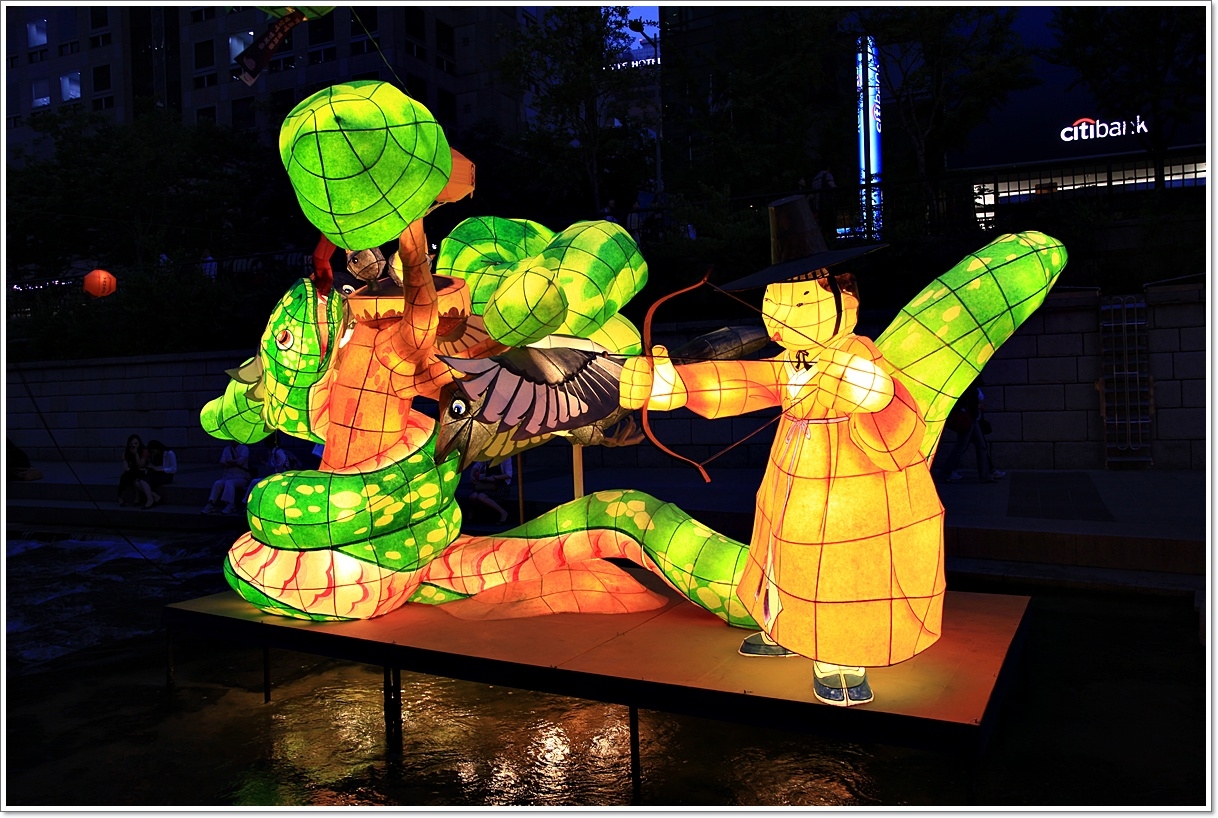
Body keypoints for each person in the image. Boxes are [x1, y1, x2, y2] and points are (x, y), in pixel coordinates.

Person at [622, 195, 942, 707]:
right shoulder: (793, 362)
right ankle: (786, 629)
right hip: (792, 481)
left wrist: (875, 397)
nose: (778, 317)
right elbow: (745, 382)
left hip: (857, 493)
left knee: (843, 563)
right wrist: (675, 387)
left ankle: (841, 654)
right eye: (774, 302)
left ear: (846, 300)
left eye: (799, 302)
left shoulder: (860, 361)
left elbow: (901, 428)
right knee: (781, 552)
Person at [934, 377, 1005, 483]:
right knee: (965, 447)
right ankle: (947, 473)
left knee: (977, 446)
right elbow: (965, 401)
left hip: (970, 418)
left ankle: (984, 475)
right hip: (969, 418)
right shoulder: (969, 385)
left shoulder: (969, 384)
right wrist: (976, 406)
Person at [201, 441, 251, 515]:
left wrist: (230, 462)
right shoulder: (227, 449)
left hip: (242, 477)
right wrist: (232, 462)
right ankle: (211, 503)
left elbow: (240, 462)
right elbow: (222, 462)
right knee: (217, 483)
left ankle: (231, 505)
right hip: (228, 476)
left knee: (229, 483)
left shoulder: (244, 448)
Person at [467, 458, 513, 524]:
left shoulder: (506, 457)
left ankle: (503, 513)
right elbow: (476, 466)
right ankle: (471, 517)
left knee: (481, 496)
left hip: (500, 485)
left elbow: (509, 475)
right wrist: (472, 476)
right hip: (486, 484)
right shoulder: (487, 456)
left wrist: (494, 477)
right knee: (473, 496)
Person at [117, 433, 156, 508]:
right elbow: (126, 468)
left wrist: (136, 454)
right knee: (125, 476)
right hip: (132, 472)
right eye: (131, 444)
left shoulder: (144, 451)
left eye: (136, 443)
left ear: (139, 443)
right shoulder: (126, 453)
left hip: (142, 471)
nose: (134, 445)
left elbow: (141, 464)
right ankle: (123, 497)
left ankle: (123, 496)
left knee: (129, 476)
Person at [144, 439, 177, 505]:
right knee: (140, 481)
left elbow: (174, 469)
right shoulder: (155, 455)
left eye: (154, 451)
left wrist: (162, 469)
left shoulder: (170, 453)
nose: (154, 453)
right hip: (158, 473)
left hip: (167, 475)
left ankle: (151, 499)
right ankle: (154, 495)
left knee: (145, 481)